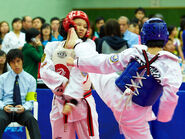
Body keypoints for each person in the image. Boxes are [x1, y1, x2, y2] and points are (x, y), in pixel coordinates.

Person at [67, 18, 182, 139]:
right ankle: (78, 45)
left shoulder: (136, 51)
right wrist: (164, 116)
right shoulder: (171, 65)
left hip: (114, 94)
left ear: (143, 35)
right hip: (134, 114)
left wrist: (77, 62)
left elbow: (106, 63)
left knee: (98, 70)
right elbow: (170, 95)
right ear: (165, 38)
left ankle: (77, 43)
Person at [40, 10, 99, 139]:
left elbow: (82, 69)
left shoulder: (88, 45)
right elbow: (44, 71)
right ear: (69, 25)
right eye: (79, 24)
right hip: (60, 102)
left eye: (85, 26)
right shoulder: (52, 47)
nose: (82, 28)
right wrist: (65, 84)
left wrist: (71, 93)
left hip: (83, 102)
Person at [0, 49, 41, 139]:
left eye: (18, 61)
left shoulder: (31, 80)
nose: (16, 65)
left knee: (31, 120)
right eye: (13, 62)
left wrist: (24, 107)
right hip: (6, 109)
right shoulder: (2, 79)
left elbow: (31, 100)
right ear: (9, 64)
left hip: (22, 110)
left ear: (22, 61)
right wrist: (3, 106)